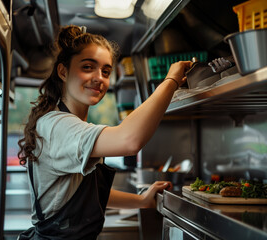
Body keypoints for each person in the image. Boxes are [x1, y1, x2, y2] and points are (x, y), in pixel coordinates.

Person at [17, 25, 191, 239]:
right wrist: (170, 81)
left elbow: (89, 194)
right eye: (88, 67)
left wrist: (142, 200)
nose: (99, 77)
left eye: (106, 71)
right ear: (63, 71)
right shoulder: (57, 125)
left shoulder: (70, 125)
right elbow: (129, 140)